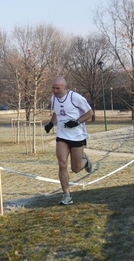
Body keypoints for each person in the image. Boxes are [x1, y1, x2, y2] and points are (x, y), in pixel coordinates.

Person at [44, 76, 94, 205]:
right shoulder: (53, 98)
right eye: (53, 88)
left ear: (65, 87)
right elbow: (57, 113)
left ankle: (85, 161)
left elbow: (90, 113)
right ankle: (66, 195)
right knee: (62, 164)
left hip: (77, 136)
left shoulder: (75, 97)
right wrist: (51, 124)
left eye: (57, 88)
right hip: (62, 136)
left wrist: (76, 122)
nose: (54, 91)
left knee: (76, 169)